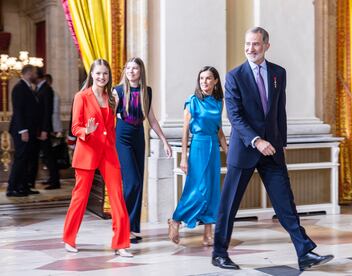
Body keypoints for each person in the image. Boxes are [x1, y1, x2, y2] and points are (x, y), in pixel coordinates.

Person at [212, 27, 334, 271]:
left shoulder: (279, 73)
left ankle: (304, 252)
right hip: (245, 149)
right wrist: (256, 140)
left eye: (256, 44)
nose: (250, 49)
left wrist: (282, 143)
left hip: (273, 150)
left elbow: (279, 111)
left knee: (285, 202)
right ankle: (219, 253)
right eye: (247, 44)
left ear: (267, 45)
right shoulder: (234, 76)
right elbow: (234, 116)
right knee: (230, 203)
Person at [62, 59, 132, 257]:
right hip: (87, 152)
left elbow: (111, 128)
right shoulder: (81, 97)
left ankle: (121, 243)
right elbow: (75, 128)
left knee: (117, 197)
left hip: (108, 153)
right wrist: (87, 130)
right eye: (99, 73)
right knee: (80, 197)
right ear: (91, 74)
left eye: (106, 74)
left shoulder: (112, 98)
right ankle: (69, 238)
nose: (102, 77)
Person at [113, 57, 172, 242]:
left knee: (139, 181)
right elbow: (109, 116)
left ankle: (132, 227)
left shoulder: (147, 91)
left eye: (135, 68)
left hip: (139, 136)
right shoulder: (118, 90)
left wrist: (164, 141)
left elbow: (151, 119)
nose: (131, 71)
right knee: (132, 182)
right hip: (122, 136)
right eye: (128, 68)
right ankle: (122, 226)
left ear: (141, 71)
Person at [168, 66, 227, 246]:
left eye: (208, 78)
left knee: (212, 189)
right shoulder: (192, 101)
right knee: (196, 188)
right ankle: (176, 220)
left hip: (213, 148)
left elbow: (219, 131)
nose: (204, 82)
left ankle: (208, 233)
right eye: (201, 78)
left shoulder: (219, 102)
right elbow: (185, 131)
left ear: (215, 81)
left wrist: (228, 152)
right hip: (198, 147)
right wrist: (184, 157)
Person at [7, 64, 40, 197]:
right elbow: (19, 111)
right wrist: (23, 130)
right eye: (34, 73)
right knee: (20, 159)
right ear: (28, 73)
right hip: (21, 130)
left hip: (28, 130)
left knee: (26, 159)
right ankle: (12, 188)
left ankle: (23, 186)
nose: (36, 75)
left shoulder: (27, 87)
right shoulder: (19, 88)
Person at [32, 68, 61, 190]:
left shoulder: (46, 89)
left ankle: (55, 181)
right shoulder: (40, 88)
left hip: (44, 129)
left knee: (49, 156)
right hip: (40, 129)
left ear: (38, 76)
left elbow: (47, 112)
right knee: (46, 155)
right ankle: (51, 179)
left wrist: (44, 130)